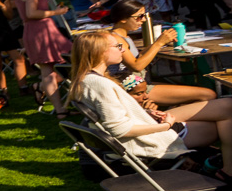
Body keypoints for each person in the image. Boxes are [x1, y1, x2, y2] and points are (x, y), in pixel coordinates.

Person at [68, 30, 232, 180]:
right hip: (150, 136)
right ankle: (225, 171)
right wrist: (165, 126)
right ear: (100, 51)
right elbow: (120, 129)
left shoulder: (86, 79)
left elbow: (114, 116)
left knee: (226, 108)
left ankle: (222, 168)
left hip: (147, 123)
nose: (123, 50)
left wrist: (146, 112)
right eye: (118, 46)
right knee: (225, 113)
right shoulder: (99, 84)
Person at [104, 0, 215, 108]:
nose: (143, 20)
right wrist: (159, 43)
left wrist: (162, 43)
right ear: (123, 19)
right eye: (139, 16)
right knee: (208, 94)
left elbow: (137, 57)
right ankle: (169, 119)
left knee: (189, 94)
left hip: (138, 83)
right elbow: (136, 66)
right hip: (131, 88)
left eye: (144, 15)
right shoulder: (116, 39)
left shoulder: (123, 36)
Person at [15, 0, 71, 116]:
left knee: (48, 71)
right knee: (73, 62)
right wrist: (56, 13)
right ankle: (46, 92)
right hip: (41, 31)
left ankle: (59, 109)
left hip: (33, 31)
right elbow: (31, 13)